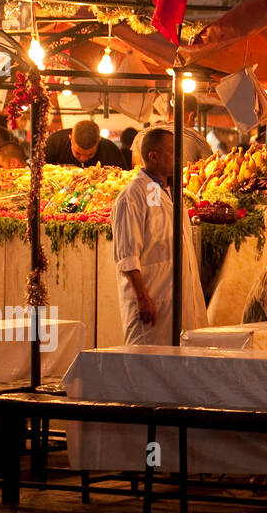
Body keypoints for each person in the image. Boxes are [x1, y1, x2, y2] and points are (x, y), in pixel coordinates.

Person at [110, 128, 208, 346]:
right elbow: (127, 255)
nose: (179, 159)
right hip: (153, 301)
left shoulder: (165, 190)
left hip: (178, 298)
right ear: (153, 156)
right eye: (173, 153)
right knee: (146, 365)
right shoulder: (132, 195)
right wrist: (142, 298)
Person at [44, 119, 124, 168]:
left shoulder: (111, 151)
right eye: (78, 153)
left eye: (90, 155)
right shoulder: (54, 143)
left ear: (99, 141)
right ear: (70, 138)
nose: (83, 159)